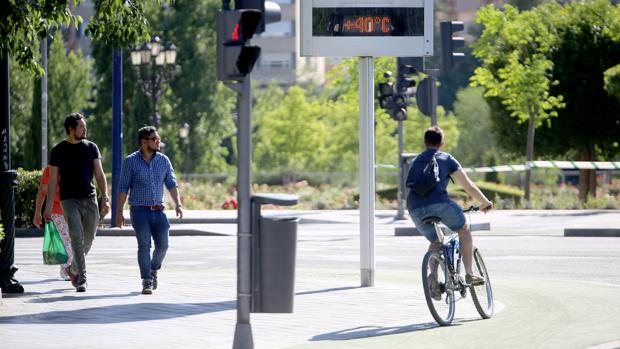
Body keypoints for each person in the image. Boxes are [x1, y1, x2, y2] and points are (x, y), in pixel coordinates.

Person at [407, 126, 492, 293]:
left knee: (435, 242)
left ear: (425, 143)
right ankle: (470, 273)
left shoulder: (415, 161)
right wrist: (485, 202)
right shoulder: (447, 158)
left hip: (414, 208)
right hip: (440, 204)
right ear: (442, 143)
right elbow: (469, 186)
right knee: (463, 229)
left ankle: (433, 277)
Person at [44, 112, 110, 292]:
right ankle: (82, 277)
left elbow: (99, 174)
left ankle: (73, 268)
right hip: (69, 200)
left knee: (88, 238)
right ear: (71, 129)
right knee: (76, 236)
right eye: (81, 126)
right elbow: (52, 181)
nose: (85, 129)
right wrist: (48, 207)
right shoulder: (58, 150)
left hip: (89, 199)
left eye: (84, 126)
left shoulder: (91, 147)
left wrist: (105, 197)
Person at [116, 126, 183, 295]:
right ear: (144, 142)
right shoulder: (130, 161)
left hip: (159, 211)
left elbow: (171, 183)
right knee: (144, 246)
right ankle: (146, 280)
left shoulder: (164, 160)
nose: (158, 141)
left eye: (158, 138)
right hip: (139, 212)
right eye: (154, 139)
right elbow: (123, 187)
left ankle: (153, 269)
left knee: (163, 246)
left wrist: (178, 203)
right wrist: (119, 212)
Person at [34, 166, 74, 280]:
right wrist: (37, 213)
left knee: (75, 241)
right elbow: (42, 191)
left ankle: (69, 268)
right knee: (66, 240)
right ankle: (67, 268)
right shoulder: (50, 169)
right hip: (57, 212)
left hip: (76, 210)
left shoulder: (76, 164)